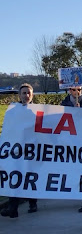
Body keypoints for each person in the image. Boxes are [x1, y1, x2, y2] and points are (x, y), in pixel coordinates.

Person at [1, 84, 38, 218]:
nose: (26, 95)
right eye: (24, 93)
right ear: (19, 95)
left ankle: (33, 203)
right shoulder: (12, 111)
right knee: (14, 177)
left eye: (29, 93)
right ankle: (13, 208)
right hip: (16, 151)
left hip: (32, 151)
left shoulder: (37, 111)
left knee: (30, 177)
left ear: (32, 95)